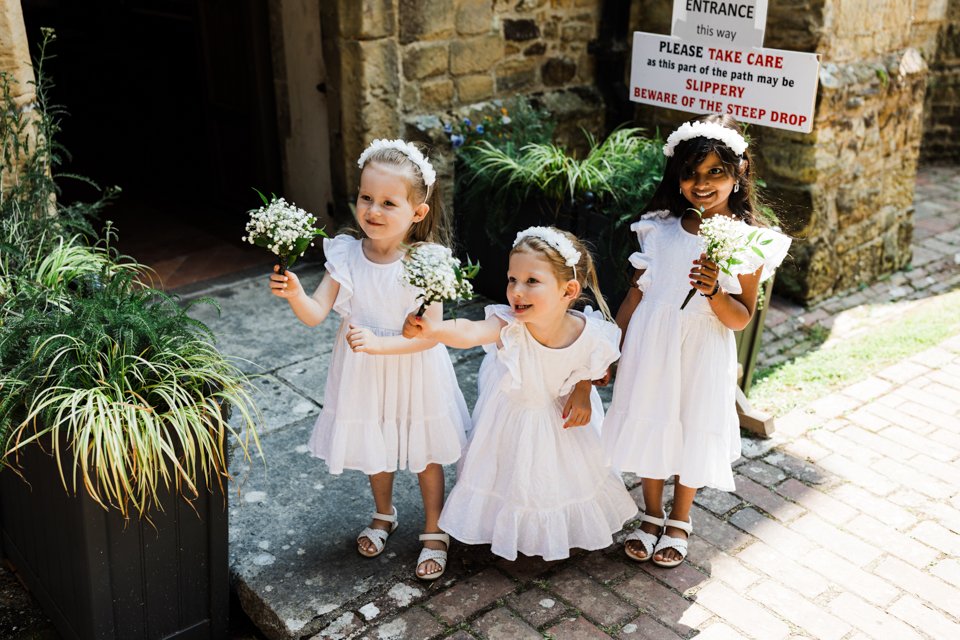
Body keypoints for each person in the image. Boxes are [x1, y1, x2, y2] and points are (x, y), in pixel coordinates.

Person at [268, 139, 470, 580]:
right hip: (362, 371)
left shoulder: (427, 262)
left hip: (412, 369)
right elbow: (315, 314)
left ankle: (435, 529)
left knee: (425, 451)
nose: (372, 210)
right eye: (365, 197)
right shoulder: (345, 255)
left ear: (417, 212)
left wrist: (382, 345)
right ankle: (384, 513)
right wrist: (296, 293)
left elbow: (430, 336)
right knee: (374, 444)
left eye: (388, 202)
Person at [602, 114, 791, 568]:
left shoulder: (747, 241)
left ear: (738, 174)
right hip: (652, 346)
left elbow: (741, 317)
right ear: (677, 177)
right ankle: (650, 515)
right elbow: (634, 295)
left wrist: (712, 291)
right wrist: (613, 348)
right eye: (691, 173)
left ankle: (680, 517)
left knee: (689, 425)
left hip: (702, 350)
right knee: (652, 421)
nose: (701, 183)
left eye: (715, 173)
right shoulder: (658, 229)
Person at [402, 226, 638, 561]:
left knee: (555, 473)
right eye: (512, 279)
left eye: (531, 281)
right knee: (509, 471)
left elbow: (592, 365)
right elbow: (470, 331)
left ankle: (554, 530)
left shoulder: (591, 334)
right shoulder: (509, 325)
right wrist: (435, 329)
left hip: (558, 415)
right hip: (511, 411)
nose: (516, 290)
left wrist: (583, 390)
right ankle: (502, 525)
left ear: (568, 290)